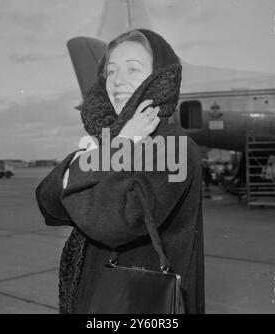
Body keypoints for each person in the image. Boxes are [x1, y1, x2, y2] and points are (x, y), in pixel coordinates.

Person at [35, 29, 205, 314]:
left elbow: (116, 222)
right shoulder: (110, 138)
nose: (117, 80)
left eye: (132, 69)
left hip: (140, 306)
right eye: (110, 71)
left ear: (159, 77)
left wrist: (106, 155)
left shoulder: (174, 146)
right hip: (101, 299)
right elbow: (48, 202)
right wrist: (113, 148)